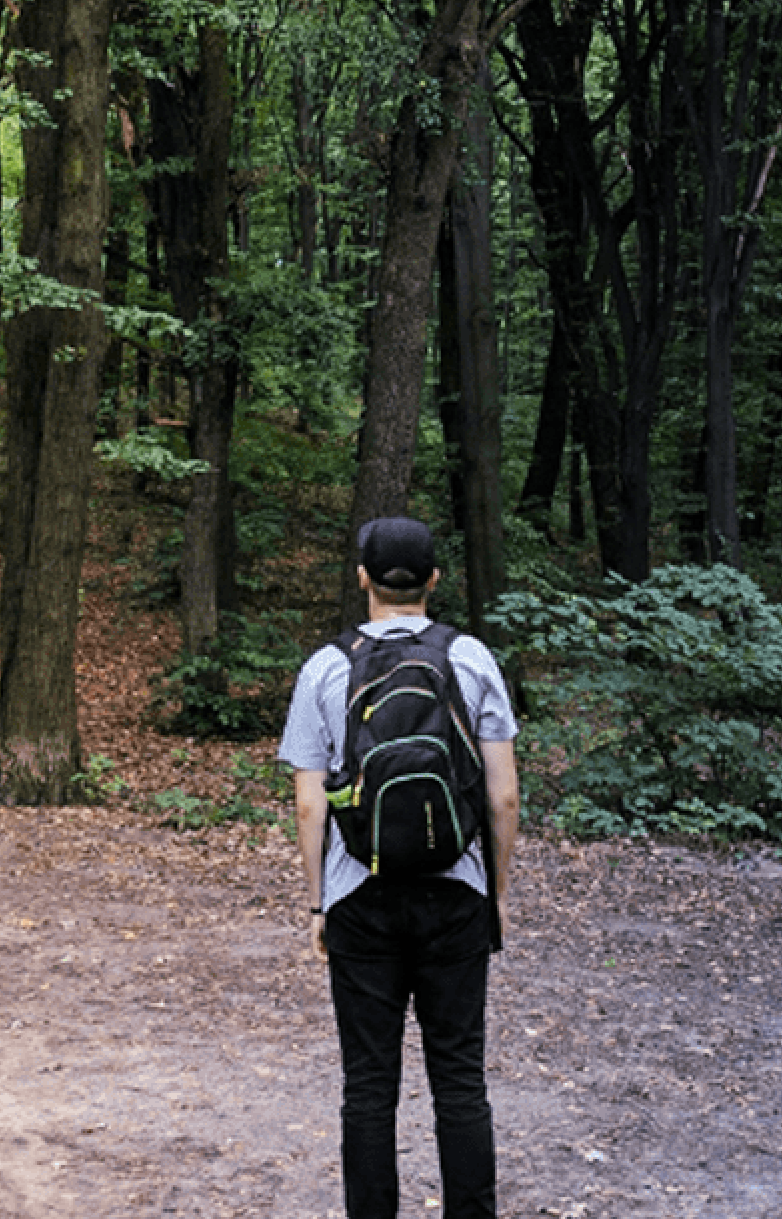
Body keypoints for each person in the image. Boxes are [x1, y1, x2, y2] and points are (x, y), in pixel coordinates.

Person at [279, 516, 521, 1219]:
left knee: (369, 1085)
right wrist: (496, 894)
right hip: (456, 894)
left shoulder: (326, 667)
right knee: (459, 1082)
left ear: (363, 579)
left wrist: (319, 902)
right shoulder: (471, 659)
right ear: (434, 581)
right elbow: (503, 796)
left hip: (360, 895)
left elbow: (307, 804)